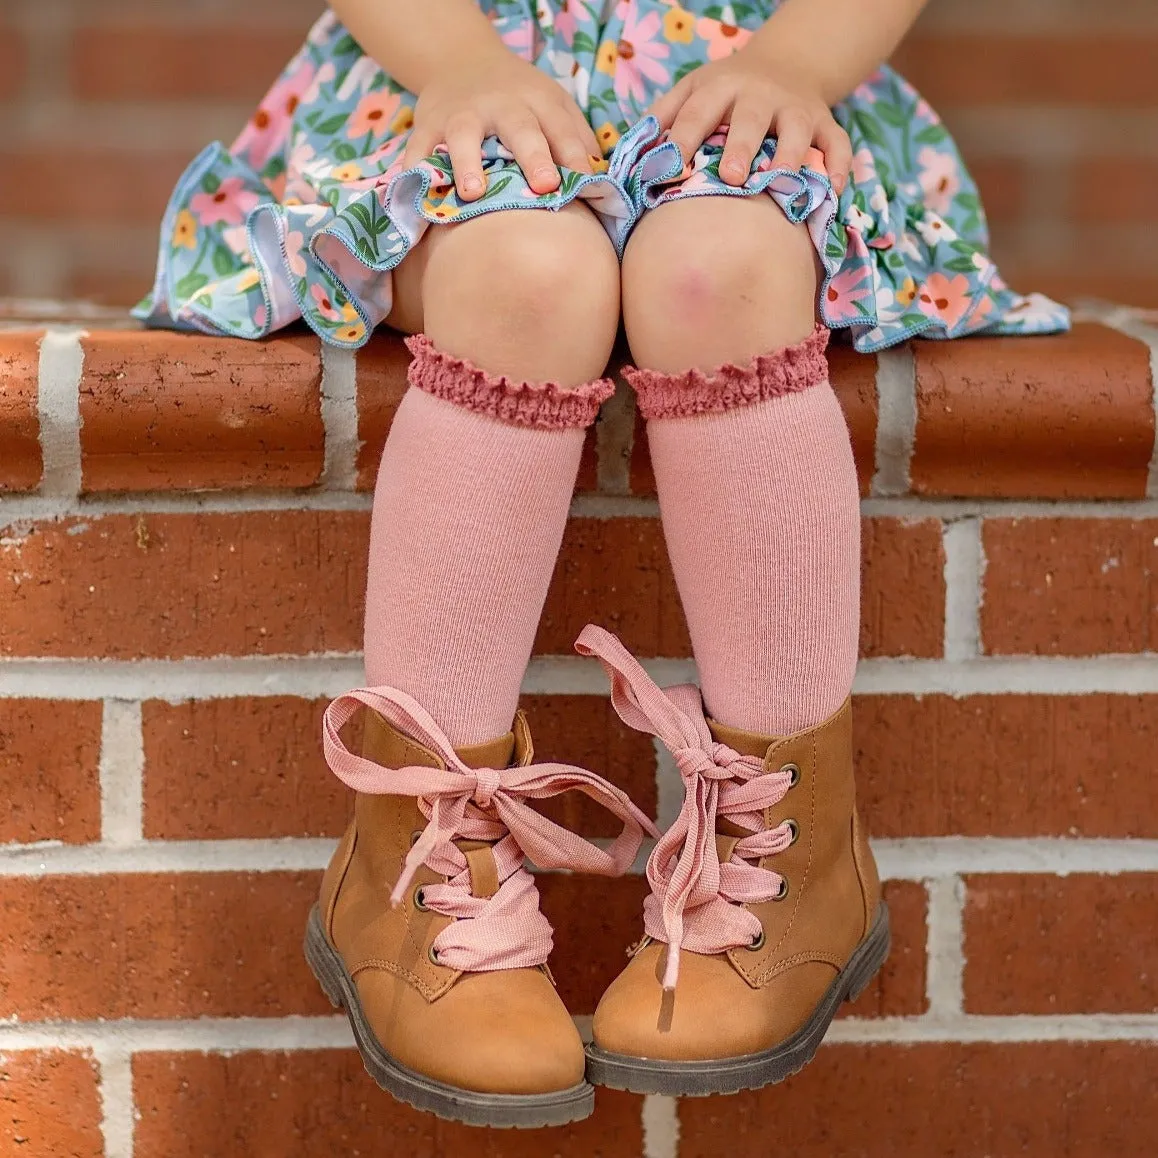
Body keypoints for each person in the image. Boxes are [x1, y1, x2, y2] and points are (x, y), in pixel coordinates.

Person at [137, 0, 1069, 1128]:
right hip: (457, 80)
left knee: (714, 270)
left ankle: (797, 850)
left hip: (744, 92)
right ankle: (417, 857)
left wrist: (799, 59)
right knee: (529, 276)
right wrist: (460, 62)